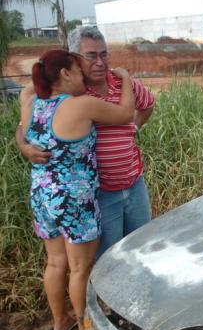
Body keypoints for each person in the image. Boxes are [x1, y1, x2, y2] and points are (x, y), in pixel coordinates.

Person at [19, 50, 135, 330]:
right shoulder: (80, 106)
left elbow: (21, 129)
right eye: (78, 71)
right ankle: (86, 329)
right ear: (65, 74)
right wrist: (127, 81)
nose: (84, 77)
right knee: (81, 268)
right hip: (74, 197)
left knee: (56, 263)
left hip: (43, 194)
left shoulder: (31, 101)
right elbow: (125, 114)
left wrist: (23, 146)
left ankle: (60, 323)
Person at [17, 26, 156, 258]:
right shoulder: (70, 91)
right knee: (109, 258)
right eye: (91, 55)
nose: (100, 62)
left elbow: (148, 104)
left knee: (142, 247)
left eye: (104, 54)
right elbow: (26, 124)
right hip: (100, 192)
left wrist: (134, 127)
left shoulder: (123, 83)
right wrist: (24, 146)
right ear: (74, 59)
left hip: (134, 184)